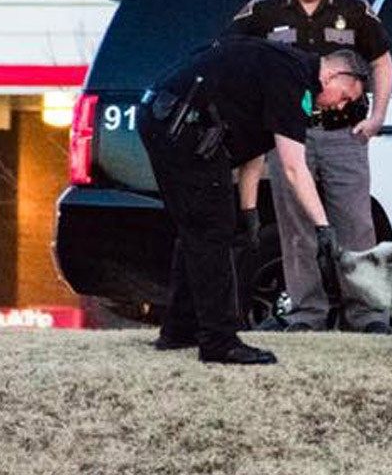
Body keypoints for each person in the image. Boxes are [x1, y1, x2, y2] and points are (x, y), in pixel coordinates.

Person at [140, 36, 368, 364]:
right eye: (345, 97)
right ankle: (219, 342)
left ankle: (178, 331)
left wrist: (247, 211)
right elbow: (293, 166)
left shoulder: (287, 71)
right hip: (180, 124)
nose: (340, 106)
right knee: (210, 231)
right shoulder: (293, 79)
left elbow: (255, 150)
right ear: (332, 76)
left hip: (166, 117)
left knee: (200, 229)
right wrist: (323, 227)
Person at [227, 0, 392, 333]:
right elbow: (230, 56)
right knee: (297, 227)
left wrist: (378, 116)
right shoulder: (264, 11)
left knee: (356, 225)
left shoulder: (353, 10)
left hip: (344, 135)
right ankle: (307, 314)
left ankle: (368, 314)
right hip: (289, 137)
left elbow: (383, 62)